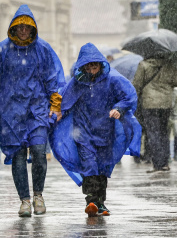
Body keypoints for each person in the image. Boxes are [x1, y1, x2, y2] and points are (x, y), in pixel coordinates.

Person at [0, 4, 65, 217]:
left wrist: (55, 105)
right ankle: (24, 200)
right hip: (10, 112)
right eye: (20, 26)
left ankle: (38, 195)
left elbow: (52, 79)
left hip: (37, 110)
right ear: (14, 28)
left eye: (27, 27)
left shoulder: (43, 50)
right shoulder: (2, 51)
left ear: (33, 28)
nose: (24, 30)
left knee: (38, 152)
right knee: (17, 157)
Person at [50, 43, 140, 217]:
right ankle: (91, 200)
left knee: (102, 167)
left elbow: (128, 95)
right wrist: (58, 113)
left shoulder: (113, 79)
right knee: (88, 163)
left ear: (100, 65)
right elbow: (65, 100)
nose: (91, 70)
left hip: (105, 131)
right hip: (83, 131)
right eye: (88, 67)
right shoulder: (77, 83)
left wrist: (119, 109)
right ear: (83, 67)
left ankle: (100, 202)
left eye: (94, 66)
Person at [132, 54, 177, 172]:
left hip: (149, 103)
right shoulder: (169, 65)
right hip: (166, 103)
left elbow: (137, 84)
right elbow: (175, 81)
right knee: (163, 132)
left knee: (153, 133)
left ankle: (157, 164)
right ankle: (164, 162)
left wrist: (133, 100)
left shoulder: (143, 65)